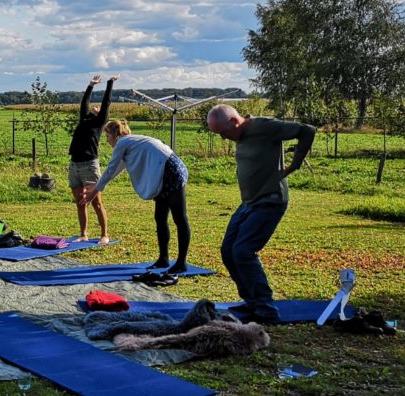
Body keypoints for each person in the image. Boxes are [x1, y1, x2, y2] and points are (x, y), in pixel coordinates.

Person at [206, 104, 316, 322]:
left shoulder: (264, 126)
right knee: (228, 250)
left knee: (243, 251)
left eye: (223, 133)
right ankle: (252, 302)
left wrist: (295, 165)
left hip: (270, 200)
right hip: (249, 202)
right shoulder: (239, 134)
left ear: (233, 122)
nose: (224, 139)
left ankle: (266, 308)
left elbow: (307, 130)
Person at [83, 120, 190, 274]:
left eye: (107, 137)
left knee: (180, 217)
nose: (107, 141)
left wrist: (95, 191)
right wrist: (98, 186)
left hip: (171, 170)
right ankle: (163, 258)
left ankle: (181, 262)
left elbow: (111, 168)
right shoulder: (130, 143)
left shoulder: (123, 142)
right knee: (160, 217)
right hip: (163, 171)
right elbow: (116, 170)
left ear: (114, 135)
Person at [67, 74, 117, 243]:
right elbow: (84, 104)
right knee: (80, 202)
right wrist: (91, 85)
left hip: (89, 165)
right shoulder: (84, 118)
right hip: (74, 164)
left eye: (98, 108)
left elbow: (106, 103)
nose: (95, 107)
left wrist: (109, 84)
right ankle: (83, 234)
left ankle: (104, 235)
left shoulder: (99, 122)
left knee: (96, 202)